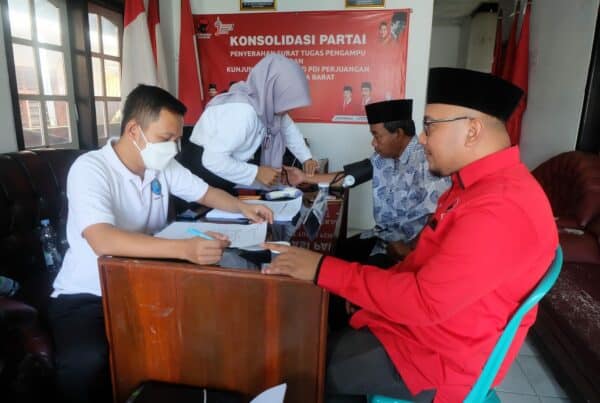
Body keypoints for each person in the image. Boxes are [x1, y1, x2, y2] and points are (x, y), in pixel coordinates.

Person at [263, 68, 558, 402]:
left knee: (307, 365)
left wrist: (321, 269)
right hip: (432, 329)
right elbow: (421, 265)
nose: (422, 136)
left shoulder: (501, 207)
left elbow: (424, 300)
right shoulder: (473, 187)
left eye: (430, 125)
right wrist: (358, 289)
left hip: (439, 356)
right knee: (321, 327)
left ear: (472, 130)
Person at [47, 84, 273, 403]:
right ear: (134, 130)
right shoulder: (90, 169)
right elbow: (102, 239)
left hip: (146, 284)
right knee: (87, 362)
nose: (174, 148)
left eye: (177, 139)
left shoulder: (160, 166)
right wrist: (184, 250)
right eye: (166, 139)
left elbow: (205, 192)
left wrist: (242, 207)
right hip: (89, 293)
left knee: (208, 333)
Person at [286, 99, 450, 268]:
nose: (373, 143)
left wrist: (411, 249)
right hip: (383, 238)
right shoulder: (383, 157)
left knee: (351, 279)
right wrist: (304, 178)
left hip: (406, 250)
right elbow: (350, 176)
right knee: (334, 255)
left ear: (399, 134)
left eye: (376, 136)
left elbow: (439, 216)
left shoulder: (427, 161)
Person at [188, 54, 320, 193]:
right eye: (288, 100)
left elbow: (289, 130)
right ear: (272, 91)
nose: (290, 108)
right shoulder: (243, 112)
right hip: (204, 172)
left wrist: (306, 158)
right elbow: (212, 160)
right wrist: (256, 172)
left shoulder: (269, 106)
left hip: (229, 168)